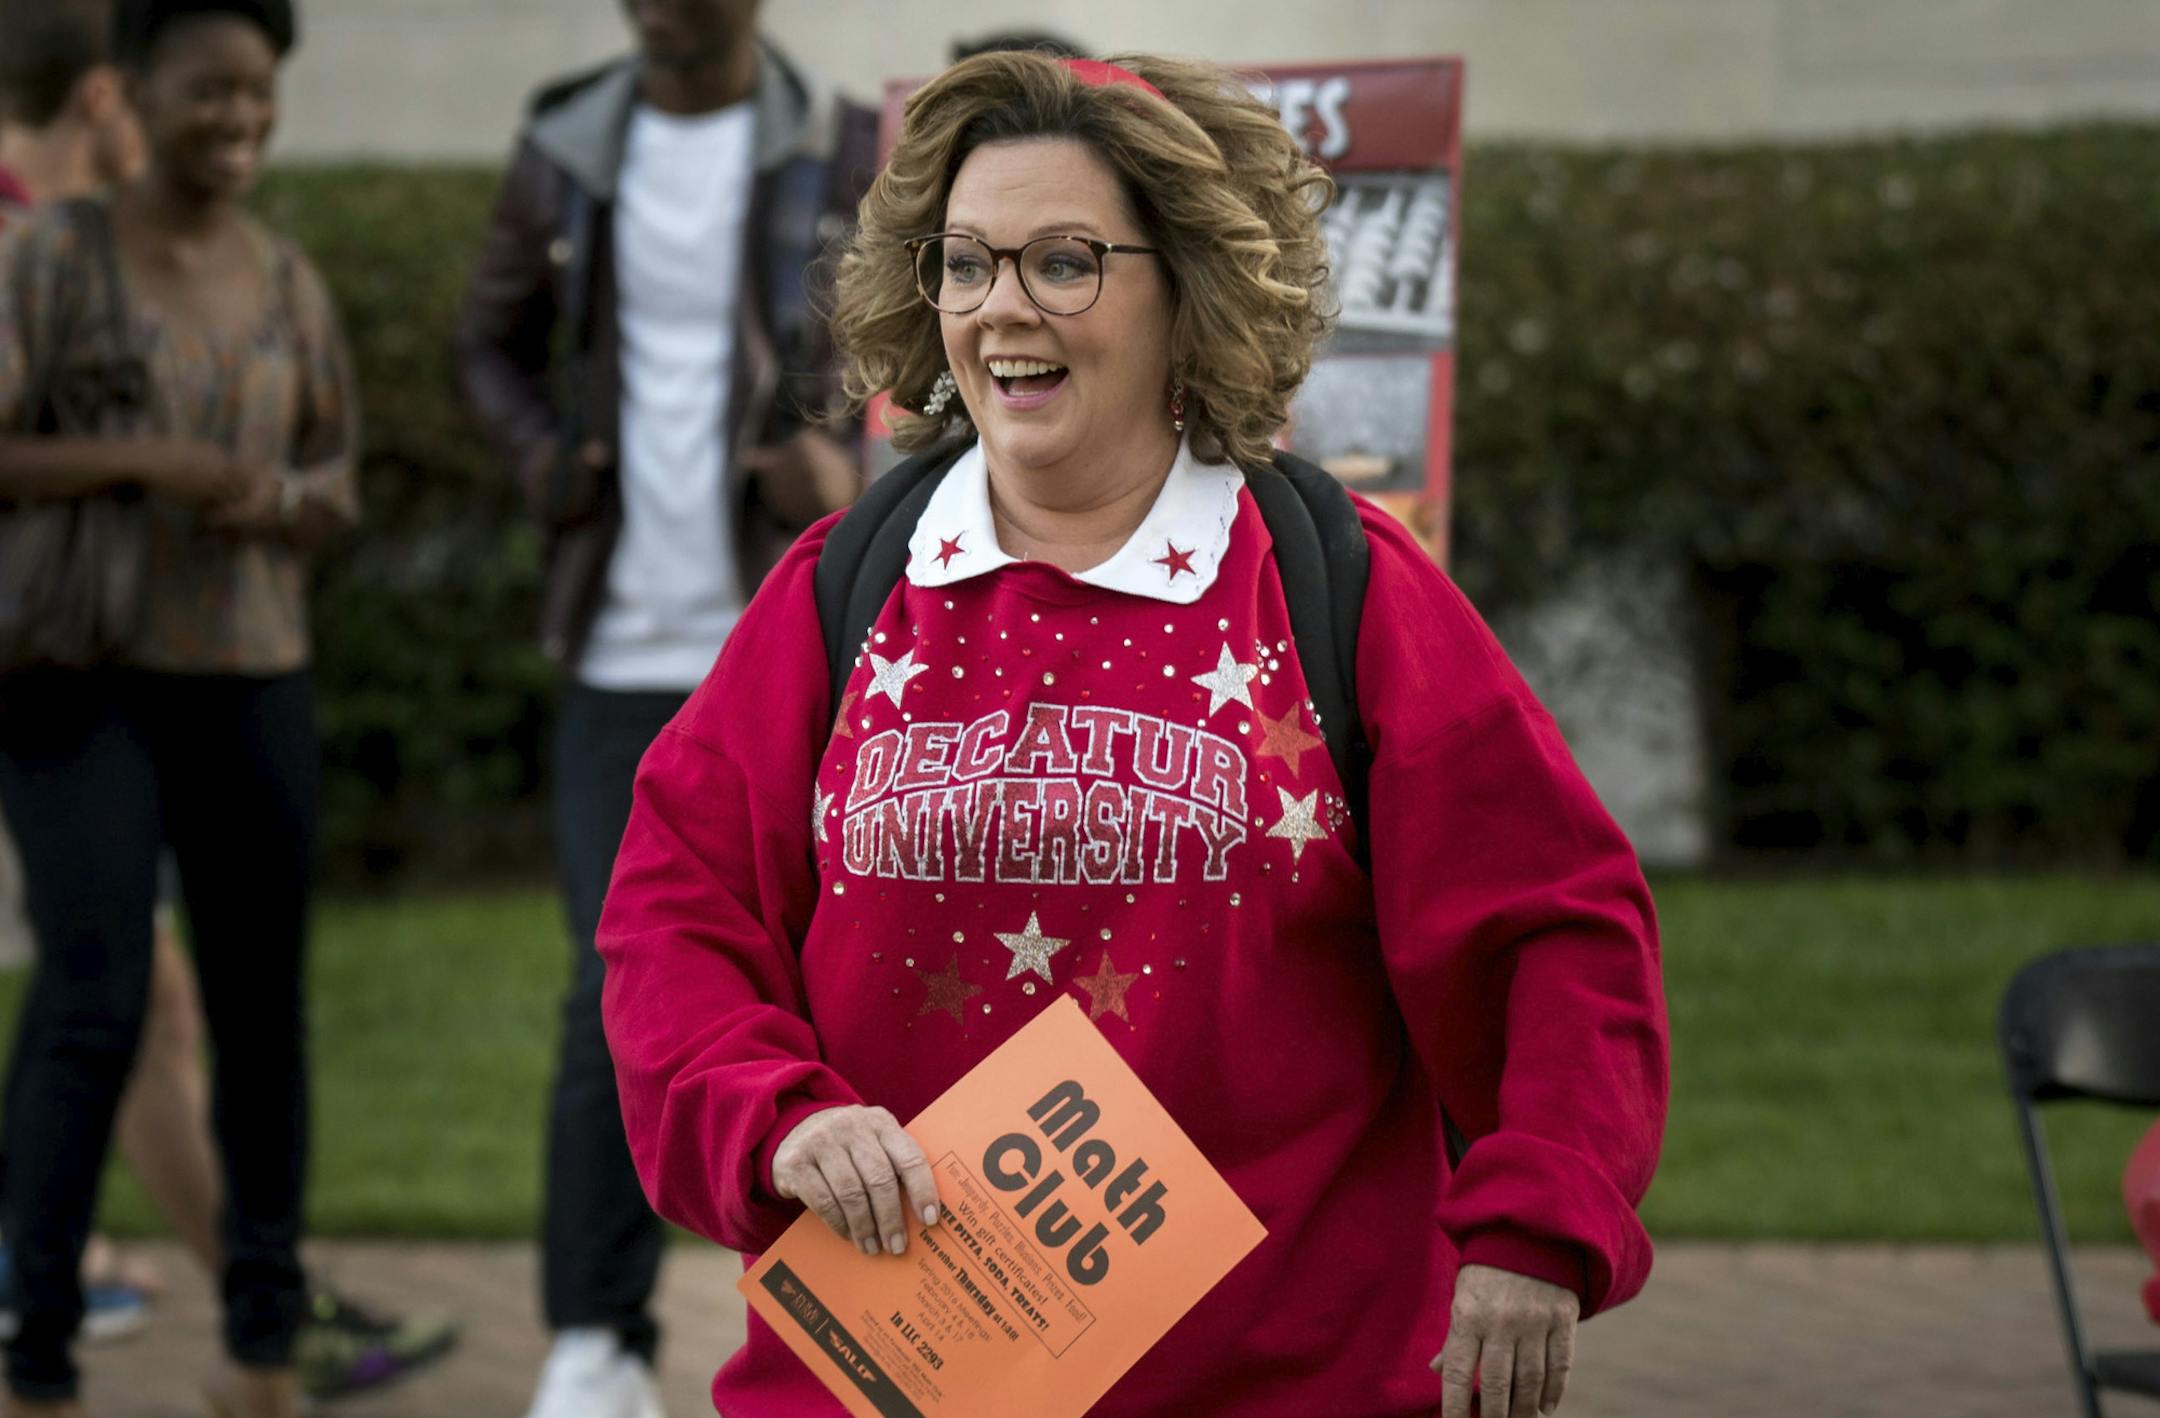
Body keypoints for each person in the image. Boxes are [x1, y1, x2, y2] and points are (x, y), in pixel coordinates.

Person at [596, 49, 1669, 1418]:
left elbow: (1562, 930)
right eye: (967, 261)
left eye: (1064, 262)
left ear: (1186, 290)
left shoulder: (1338, 583)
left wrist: (1536, 1225)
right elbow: (673, 915)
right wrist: (774, 1116)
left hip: (1283, 1386)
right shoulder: (840, 584)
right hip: (883, 1387)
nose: (1001, 310)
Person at [0, 2, 456, 1399]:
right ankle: (38, 1353)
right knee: (97, 997)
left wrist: (288, 501)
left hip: (254, 673)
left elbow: (340, 475)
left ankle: (262, 1349)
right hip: (84, 681)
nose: (240, 119)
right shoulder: (54, 256)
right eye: (209, 92)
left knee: (264, 1017)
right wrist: (154, 460)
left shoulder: (287, 278)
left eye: (259, 95)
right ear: (133, 93)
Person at [454, 2, 876, 1413]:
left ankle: (869, 1332)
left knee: (843, 993)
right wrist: (543, 461)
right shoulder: (570, 142)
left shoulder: (844, 147)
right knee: (612, 986)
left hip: (793, 637)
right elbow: (487, 341)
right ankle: (595, 1337)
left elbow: (925, 358)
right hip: (620, 643)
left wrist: (842, 468)